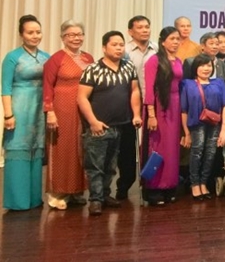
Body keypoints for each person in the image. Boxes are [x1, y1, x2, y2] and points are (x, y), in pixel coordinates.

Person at [77, 31, 142, 216]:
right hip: (99, 127)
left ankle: (105, 195)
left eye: (121, 45)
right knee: (95, 166)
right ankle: (95, 199)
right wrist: (93, 122)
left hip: (122, 125)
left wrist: (136, 114)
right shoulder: (93, 69)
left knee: (111, 166)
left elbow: (134, 91)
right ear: (104, 48)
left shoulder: (129, 67)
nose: (119, 48)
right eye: (114, 45)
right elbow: (82, 98)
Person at [42, 20, 95, 210]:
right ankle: (57, 193)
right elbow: (47, 87)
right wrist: (50, 112)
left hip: (84, 108)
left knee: (80, 148)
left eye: (79, 34)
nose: (76, 38)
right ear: (63, 37)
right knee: (62, 149)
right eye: (71, 35)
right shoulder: (56, 59)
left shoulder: (88, 58)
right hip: (62, 109)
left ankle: (75, 190)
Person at [2, 15, 50, 211]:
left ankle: (34, 199)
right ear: (21, 34)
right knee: (19, 148)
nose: (35, 36)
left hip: (39, 109)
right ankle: (17, 201)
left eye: (38, 32)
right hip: (20, 107)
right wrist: (8, 115)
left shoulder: (46, 57)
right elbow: (5, 88)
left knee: (36, 149)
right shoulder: (12, 57)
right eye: (30, 32)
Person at [143, 26, 184, 205]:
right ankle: (153, 188)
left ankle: (170, 186)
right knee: (158, 147)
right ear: (163, 41)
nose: (175, 42)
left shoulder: (178, 60)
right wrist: (151, 115)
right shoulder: (154, 60)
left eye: (177, 39)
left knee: (172, 149)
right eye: (172, 39)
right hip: (160, 106)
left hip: (175, 106)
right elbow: (149, 90)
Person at [180, 54, 225, 200]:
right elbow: (183, 110)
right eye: (202, 65)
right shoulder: (187, 84)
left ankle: (204, 182)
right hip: (196, 124)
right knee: (197, 152)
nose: (206, 68)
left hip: (214, 124)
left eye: (209, 65)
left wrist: (224, 130)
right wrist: (186, 133)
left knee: (210, 153)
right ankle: (195, 184)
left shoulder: (219, 83)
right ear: (195, 68)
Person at [118, 15, 157, 200]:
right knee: (127, 146)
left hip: (153, 104)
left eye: (147, 26)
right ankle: (124, 185)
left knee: (151, 143)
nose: (144, 30)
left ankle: (151, 183)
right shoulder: (124, 51)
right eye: (140, 27)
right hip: (129, 103)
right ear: (130, 32)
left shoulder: (157, 49)